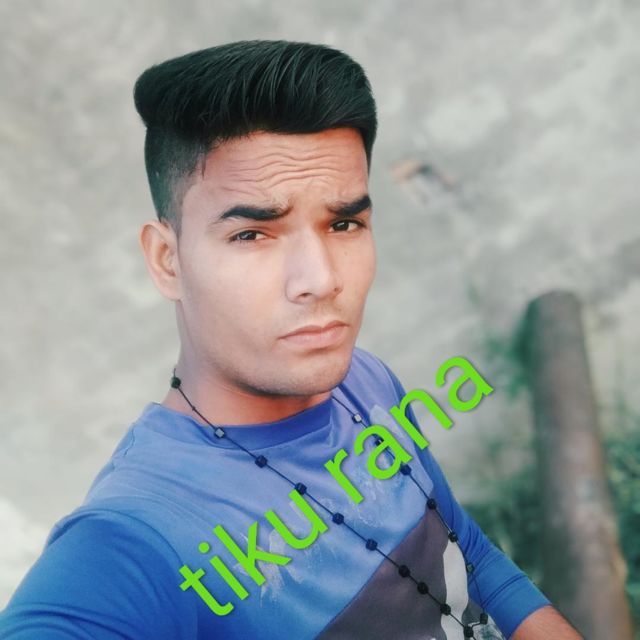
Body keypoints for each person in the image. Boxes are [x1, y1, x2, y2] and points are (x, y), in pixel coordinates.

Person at [0, 40, 582, 639]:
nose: (322, 279)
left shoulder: (365, 379)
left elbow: (469, 556)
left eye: (344, 223)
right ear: (168, 260)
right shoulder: (137, 540)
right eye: (253, 235)